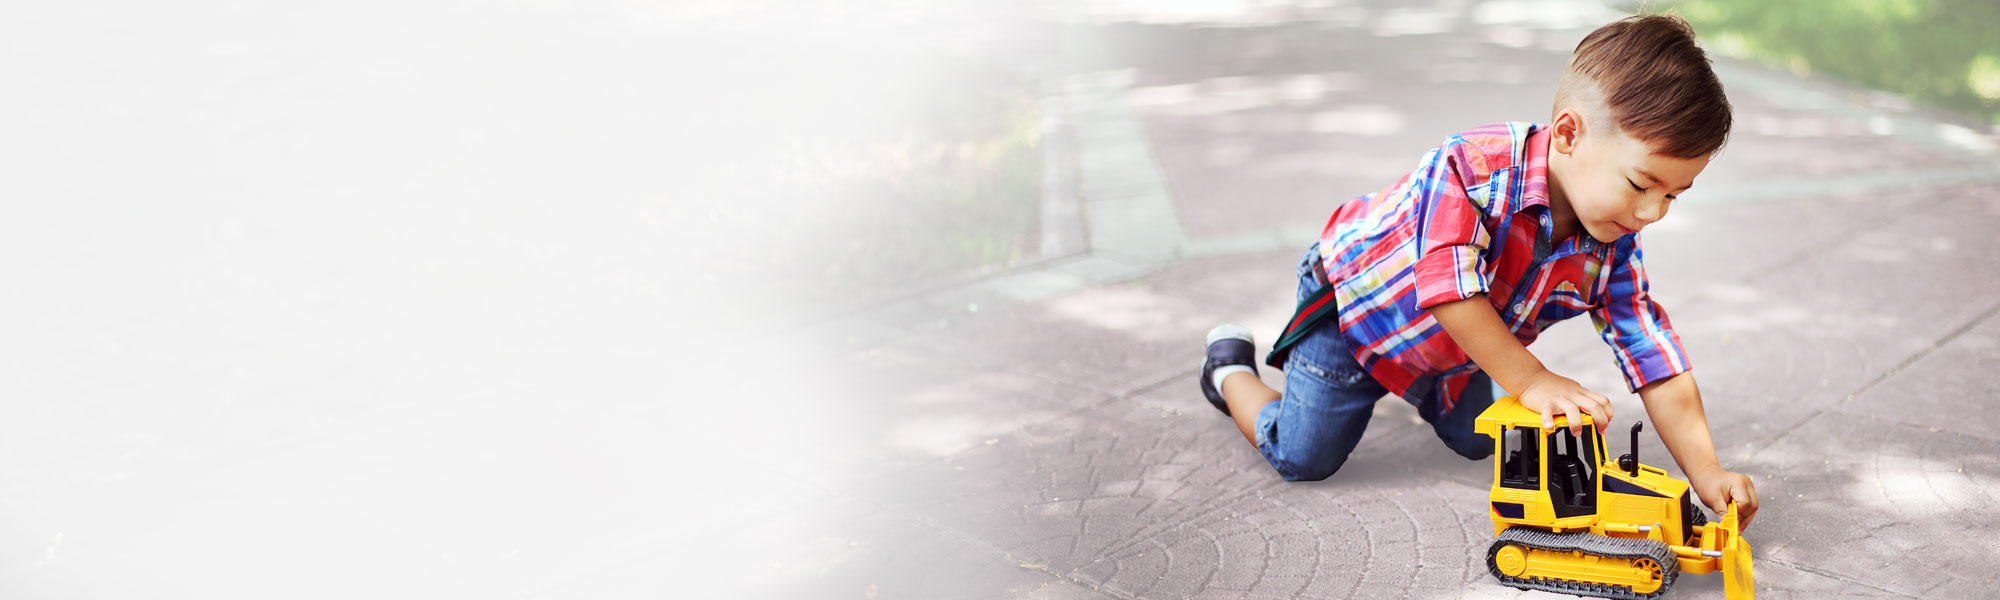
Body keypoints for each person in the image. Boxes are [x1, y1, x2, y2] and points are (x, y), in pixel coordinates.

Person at [1197, 14, 1758, 528]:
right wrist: (1534, 379)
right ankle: (1228, 370)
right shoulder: (1472, 166)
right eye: (1640, 184)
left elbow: (1651, 350)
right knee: (1302, 455)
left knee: (1481, 439)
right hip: (1352, 314)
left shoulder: (1613, 240)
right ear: (1568, 134)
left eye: (1673, 197)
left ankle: (1429, 389)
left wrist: (1705, 471)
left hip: (1455, 351)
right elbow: (1450, 290)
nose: (1651, 213)